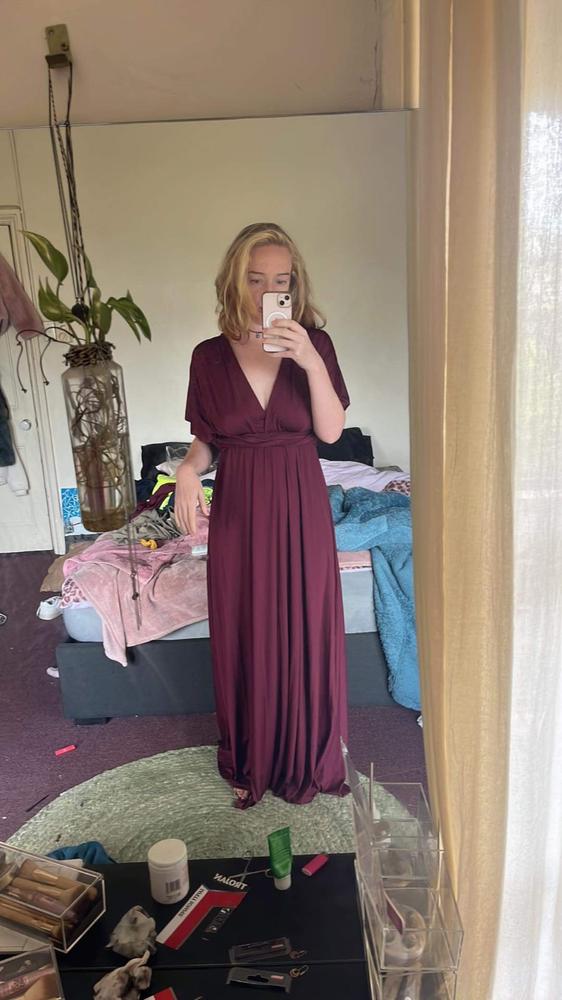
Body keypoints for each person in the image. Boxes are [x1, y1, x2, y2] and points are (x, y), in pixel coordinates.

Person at [175, 222, 350, 809]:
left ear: (293, 285)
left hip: (302, 505)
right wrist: (187, 471)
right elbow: (207, 440)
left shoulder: (315, 346)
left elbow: (331, 431)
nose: (268, 291)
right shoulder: (208, 357)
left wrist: (310, 361)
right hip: (241, 509)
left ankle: (308, 755)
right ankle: (253, 753)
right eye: (255, 279)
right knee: (245, 626)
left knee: (306, 622)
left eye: (281, 280)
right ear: (234, 281)